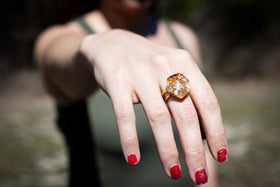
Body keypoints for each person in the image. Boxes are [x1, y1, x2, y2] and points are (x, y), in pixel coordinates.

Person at [34, 0, 228, 186]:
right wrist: (98, 44)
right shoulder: (61, 37)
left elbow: (199, 138)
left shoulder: (184, 36)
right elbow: (55, 58)